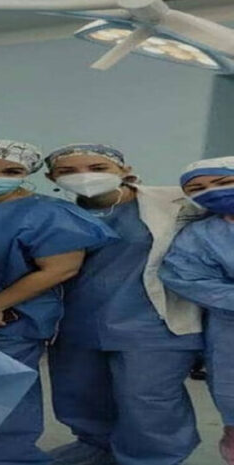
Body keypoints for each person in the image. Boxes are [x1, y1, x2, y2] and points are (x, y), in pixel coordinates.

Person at [0, 141, 115, 465]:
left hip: (7, 321)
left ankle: (9, 459)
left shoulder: (48, 213)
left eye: (10, 171)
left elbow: (61, 268)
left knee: (1, 403)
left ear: (27, 174)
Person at [44, 144, 204, 465]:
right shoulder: (54, 211)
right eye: (68, 171)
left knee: (147, 399)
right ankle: (96, 447)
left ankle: (154, 458)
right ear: (51, 178)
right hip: (77, 322)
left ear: (124, 170)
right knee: (82, 393)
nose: (84, 176)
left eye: (97, 168)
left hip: (153, 325)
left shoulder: (174, 202)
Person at [160, 156, 234, 465]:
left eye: (223, 182)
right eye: (197, 189)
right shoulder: (202, 235)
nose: (211, 192)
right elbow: (186, 277)